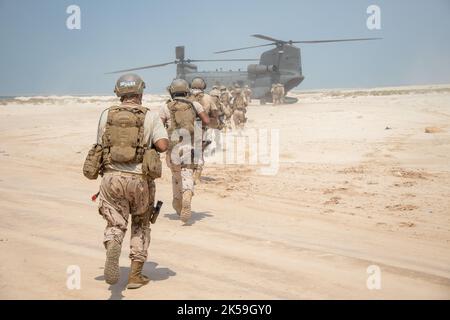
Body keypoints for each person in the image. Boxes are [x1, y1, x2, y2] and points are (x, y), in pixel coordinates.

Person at [83, 73, 169, 289]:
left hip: (111, 178)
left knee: (115, 222)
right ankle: (135, 276)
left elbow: (100, 144)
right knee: (141, 223)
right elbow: (162, 146)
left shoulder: (106, 115)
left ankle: (113, 243)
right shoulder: (150, 116)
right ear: (140, 92)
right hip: (139, 179)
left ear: (118, 93)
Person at [160, 79, 209, 223]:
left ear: (172, 91)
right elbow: (206, 121)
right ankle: (187, 192)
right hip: (189, 145)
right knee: (187, 173)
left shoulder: (165, 107)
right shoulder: (194, 104)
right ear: (187, 90)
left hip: (173, 147)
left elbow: (159, 126)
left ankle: (177, 202)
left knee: (176, 176)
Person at [188, 77, 218, 184]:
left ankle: (188, 174)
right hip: (201, 128)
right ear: (203, 86)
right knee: (199, 152)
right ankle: (197, 177)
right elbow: (214, 113)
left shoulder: (187, 96)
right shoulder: (207, 97)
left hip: (186, 128)